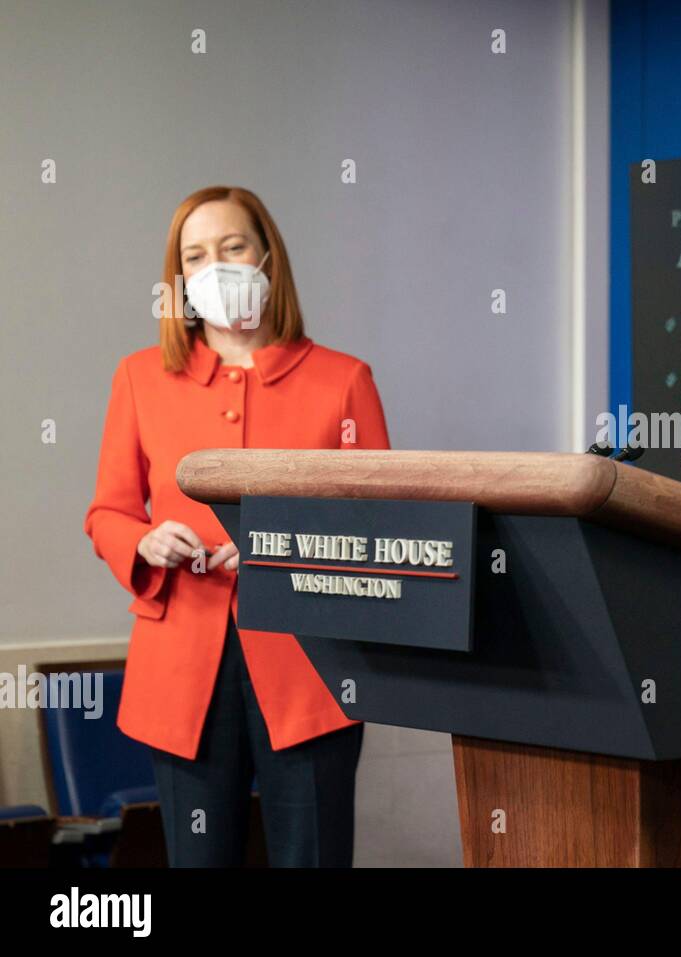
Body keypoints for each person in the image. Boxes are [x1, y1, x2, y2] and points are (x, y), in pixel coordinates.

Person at [84, 186, 391, 866]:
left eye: (232, 247)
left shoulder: (343, 381)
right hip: (180, 671)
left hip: (311, 671)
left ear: (267, 259)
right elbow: (107, 510)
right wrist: (142, 539)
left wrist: (284, 556)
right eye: (194, 255)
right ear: (179, 280)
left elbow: (380, 532)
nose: (214, 266)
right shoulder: (139, 378)